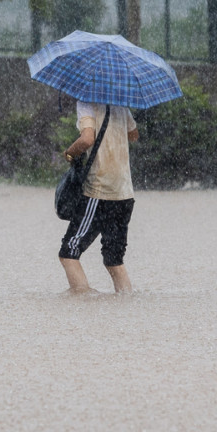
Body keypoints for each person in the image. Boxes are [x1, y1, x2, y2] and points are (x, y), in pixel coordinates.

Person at [59, 100, 139, 294]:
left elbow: (87, 139)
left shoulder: (86, 103)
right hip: (124, 192)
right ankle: (126, 304)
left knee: (69, 252)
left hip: (100, 191)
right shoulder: (121, 104)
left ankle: (84, 303)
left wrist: (69, 154)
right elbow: (134, 135)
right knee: (114, 260)